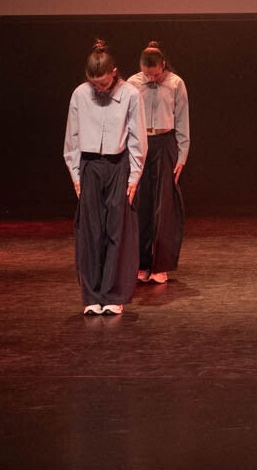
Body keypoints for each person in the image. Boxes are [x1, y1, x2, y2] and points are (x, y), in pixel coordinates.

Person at [64, 40, 146, 315]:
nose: (98, 88)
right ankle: (91, 295)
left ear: (114, 71)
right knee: (90, 231)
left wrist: (134, 177)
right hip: (89, 165)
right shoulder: (80, 94)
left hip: (117, 165)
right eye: (94, 83)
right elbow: (72, 137)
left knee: (116, 230)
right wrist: (76, 174)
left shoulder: (131, 94)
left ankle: (113, 294)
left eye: (103, 83)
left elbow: (137, 138)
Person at [126, 41, 189, 284]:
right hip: (141, 144)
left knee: (164, 207)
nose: (151, 78)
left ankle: (160, 266)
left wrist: (182, 155)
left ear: (163, 65)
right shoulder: (133, 84)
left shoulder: (175, 83)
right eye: (147, 74)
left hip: (165, 143)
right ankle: (141, 263)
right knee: (140, 204)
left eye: (155, 74)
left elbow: (182, 121)